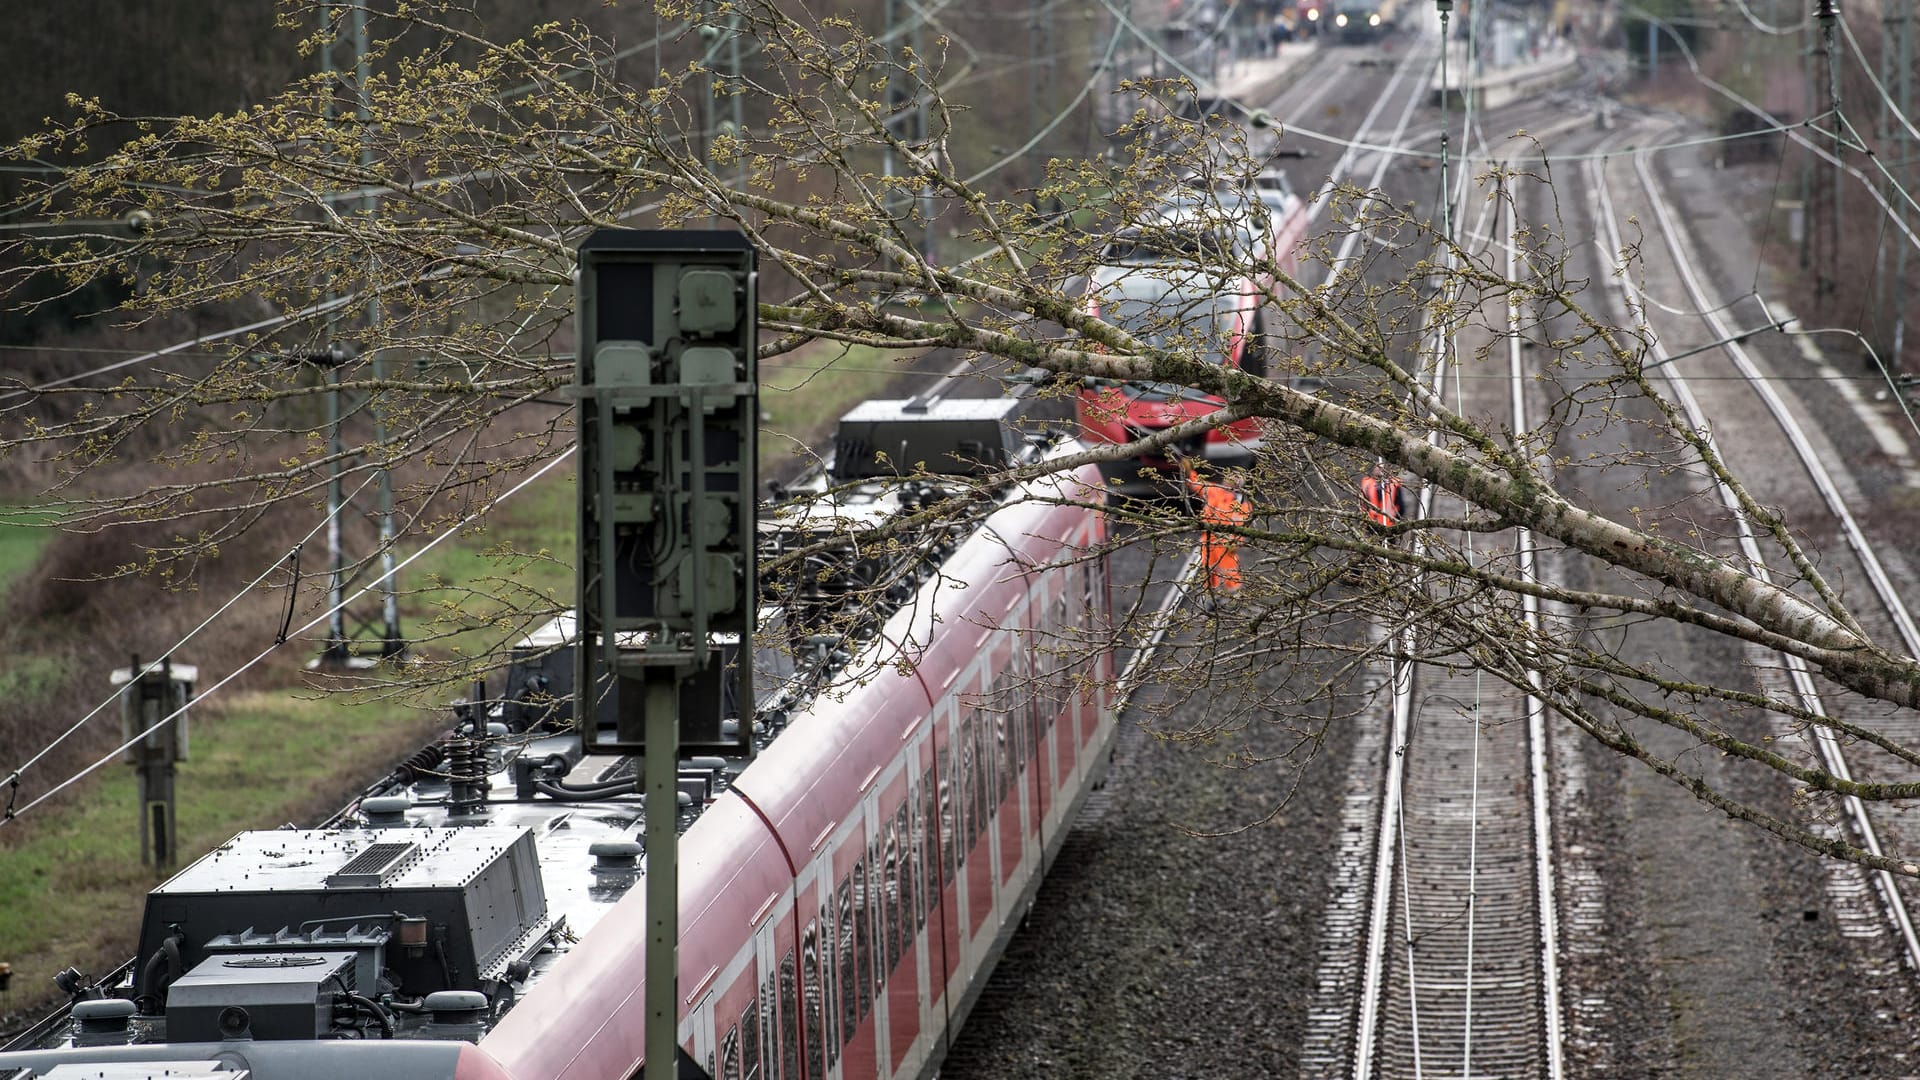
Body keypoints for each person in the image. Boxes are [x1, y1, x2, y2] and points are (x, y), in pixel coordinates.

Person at [1181, 455, 1251, 597]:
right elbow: (1196, 484)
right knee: (1208, 569)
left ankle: (1234, 598)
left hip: (1225, 544)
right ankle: (1211, 597)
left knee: (1229, 571)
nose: (1228, 481)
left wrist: (1236, 542)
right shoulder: (1214, 491)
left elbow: (1242, 527)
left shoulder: (1242, 505)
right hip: (1208, 540)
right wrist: (1188, 471)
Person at [1360, 459, 1406, 542]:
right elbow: (1362, 503)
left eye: (1381, 468)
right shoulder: (1367, 482)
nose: (1378, 470)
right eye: (1377, 467)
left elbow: (1400, 505)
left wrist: (1397, 520)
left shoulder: (1394, 483)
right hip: (1371, 523)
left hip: (1389, 523)